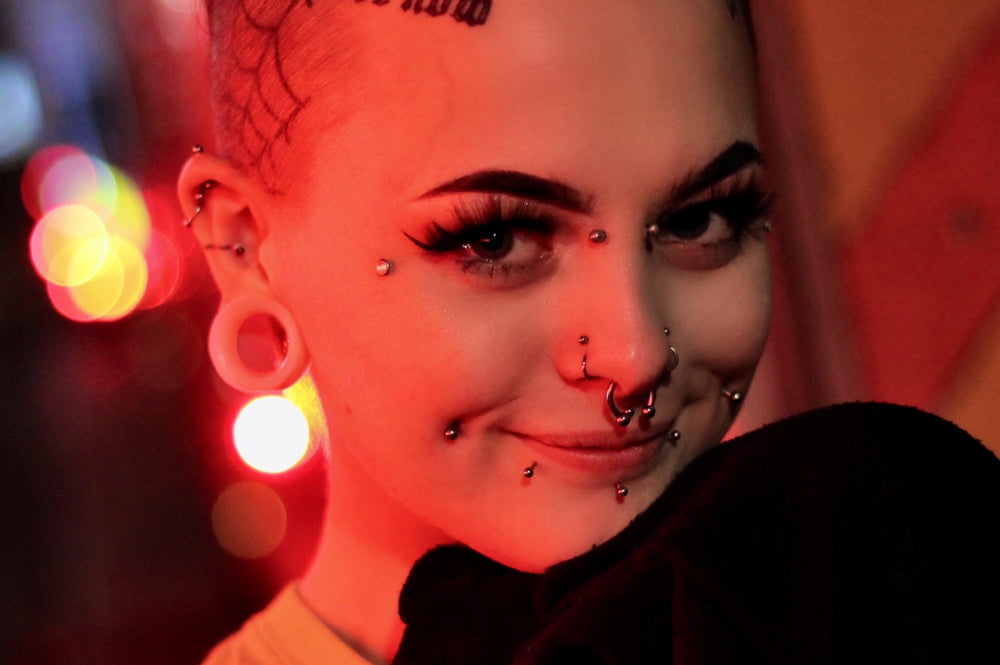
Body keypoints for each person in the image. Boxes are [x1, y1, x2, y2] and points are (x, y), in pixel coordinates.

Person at [177, 1, 1000, 664]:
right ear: (247, 248)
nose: (635, 354)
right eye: (495, 238)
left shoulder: (884, 571)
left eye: (700, 218)